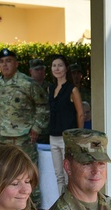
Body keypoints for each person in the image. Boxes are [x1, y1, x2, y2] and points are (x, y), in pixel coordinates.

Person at [0, 48, 49, 206]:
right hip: (3, 137)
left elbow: (43, 106)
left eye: (8, 61)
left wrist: (37, 127)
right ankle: (8, 207)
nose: (5, 64)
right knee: (4, 174)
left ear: (16, 63)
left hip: (24, 137)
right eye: (2, 62)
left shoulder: (27, 83)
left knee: (27, 175)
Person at [46, 54, 85, 192]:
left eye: (60, 65)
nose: (57, 68)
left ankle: (72, 205)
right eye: (54, 65)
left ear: (66, 68)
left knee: (70, 175)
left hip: (67, 137)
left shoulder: (72, 89)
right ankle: (62, 206)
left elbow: (80, 113)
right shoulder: (50, 88)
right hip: (53, 137)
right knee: (59, 175)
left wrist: (78, 137)